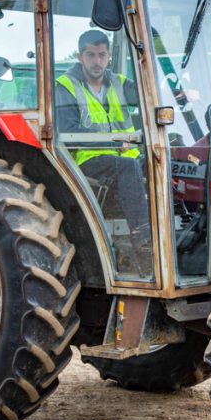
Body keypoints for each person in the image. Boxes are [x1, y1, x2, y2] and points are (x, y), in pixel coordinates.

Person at [55, 30, 151, 267]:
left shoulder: (118, 82)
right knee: (128, 167)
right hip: (87, 160)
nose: (96, 61)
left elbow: (149, 95)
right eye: (90, 55)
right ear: (80, 57)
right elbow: (68, 132)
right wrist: (113, 143)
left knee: (163, 162)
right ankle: (144, 240)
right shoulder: (65, 86)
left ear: (108, 56)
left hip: (123, 157)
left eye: (101, 55)